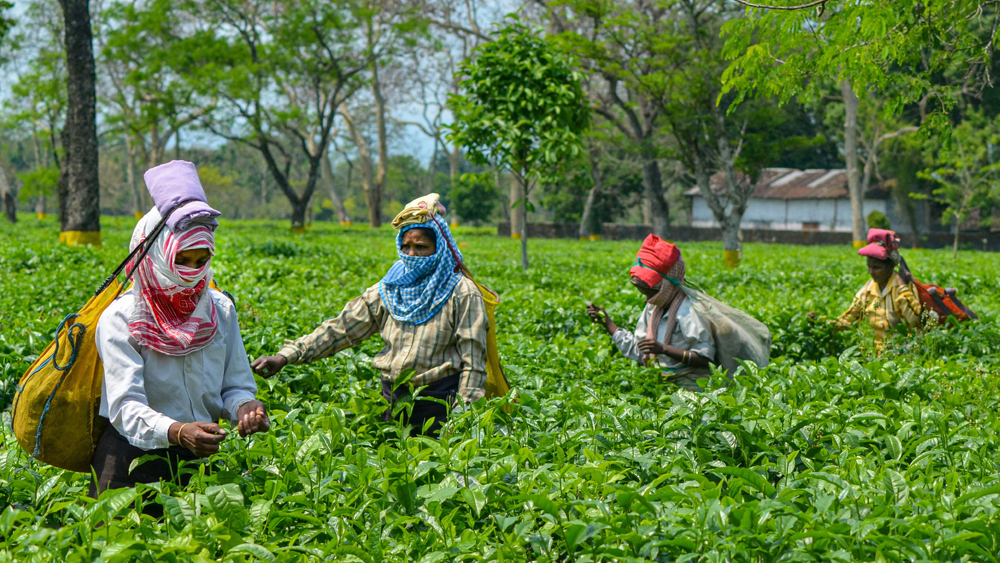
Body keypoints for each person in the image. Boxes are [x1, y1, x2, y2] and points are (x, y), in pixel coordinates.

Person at [92, 161, 269, 511]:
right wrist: (177, 431)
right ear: (156, 254)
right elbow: (125, 408)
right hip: (131, 463)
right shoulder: (122, 318)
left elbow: (234, 384)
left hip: (200, 462)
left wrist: (246, 407)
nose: (191, 271)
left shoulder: (219, 309)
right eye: (182, 259)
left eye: (201, 259)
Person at [251, 194, 487, 436]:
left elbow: (474, 364)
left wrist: (460, 420)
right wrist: (286, 356)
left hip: (439, 406)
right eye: (406, 245)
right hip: (393, 402)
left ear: (440, 248)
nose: (412, 254)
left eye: (422, 247)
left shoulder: (461, 292)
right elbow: (342, 328)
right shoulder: (390, 288)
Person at [587, 235, 716, 392]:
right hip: (664, 386)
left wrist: (663, 349)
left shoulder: (689, 310)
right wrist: (607, 323)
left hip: (694, 389)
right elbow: (642, 350)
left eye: (650, 290)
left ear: (667, 284)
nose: (647, 297)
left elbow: (705, 359)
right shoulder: (654, 307)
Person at [828, 228, 922, 340]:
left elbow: (914, 321)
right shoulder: (868, 289)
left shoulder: (903, 287)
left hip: (903, 351)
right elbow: (848, 319)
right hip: (878, 352)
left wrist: (902, 287)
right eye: (869, 267)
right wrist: (821, 322)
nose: (871, 272)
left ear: (891, 266)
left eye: (877, 267)